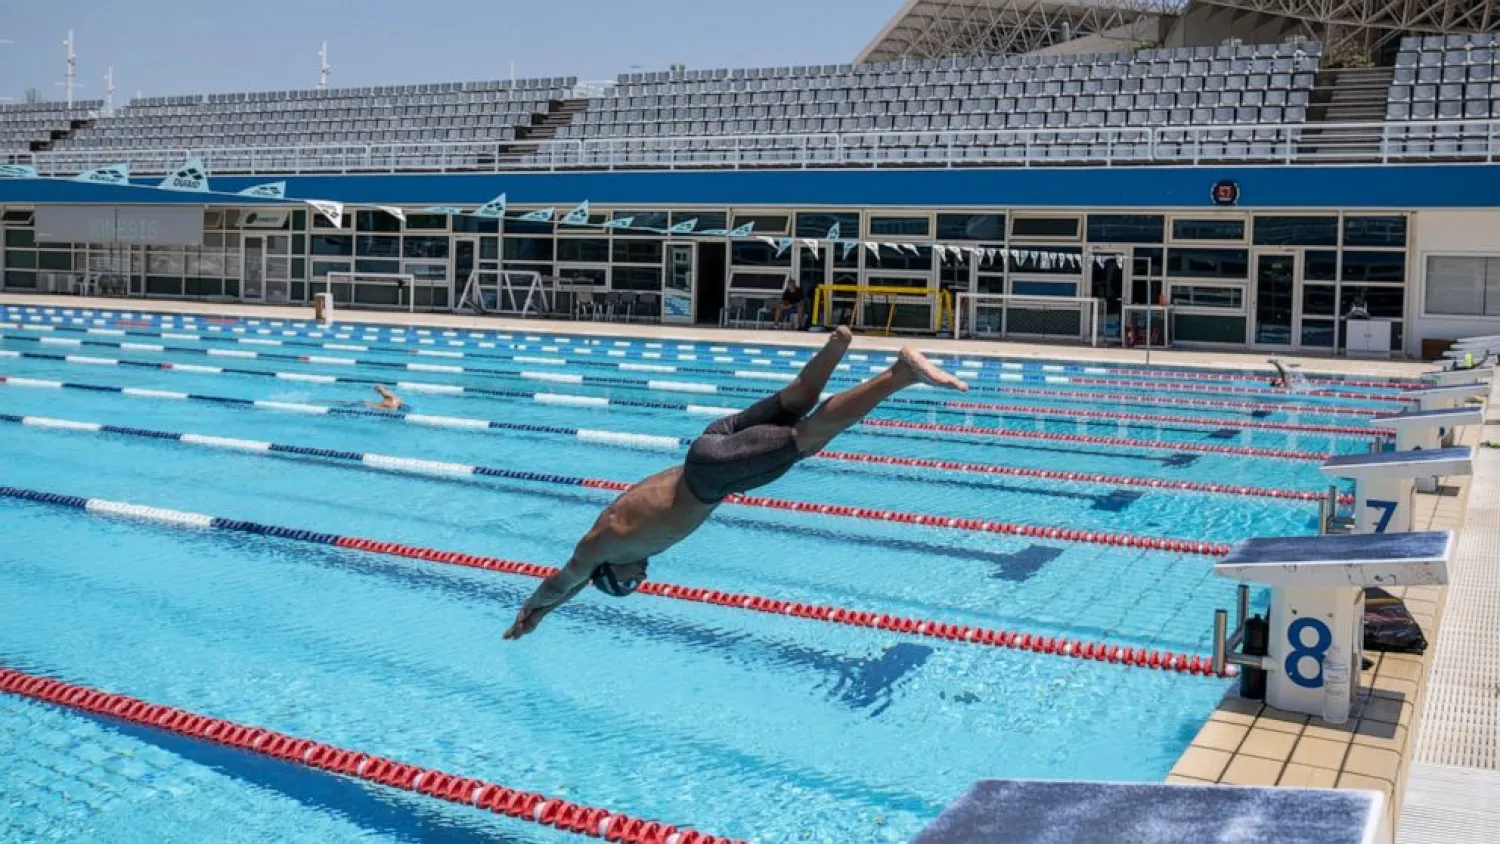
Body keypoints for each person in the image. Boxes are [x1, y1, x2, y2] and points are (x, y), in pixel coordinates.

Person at [503, 327, 968, 640]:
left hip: (712, 476)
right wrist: (542, 614)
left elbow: (562, 581)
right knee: (794, 400)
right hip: (707, 444)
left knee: (807, 438)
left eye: (629, 585)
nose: (641, 579)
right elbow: (574, 584)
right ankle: (838, 344)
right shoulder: (604, 539)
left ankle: (899, 373)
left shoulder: (600, 552)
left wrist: (535, 609)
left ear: (607, 572)